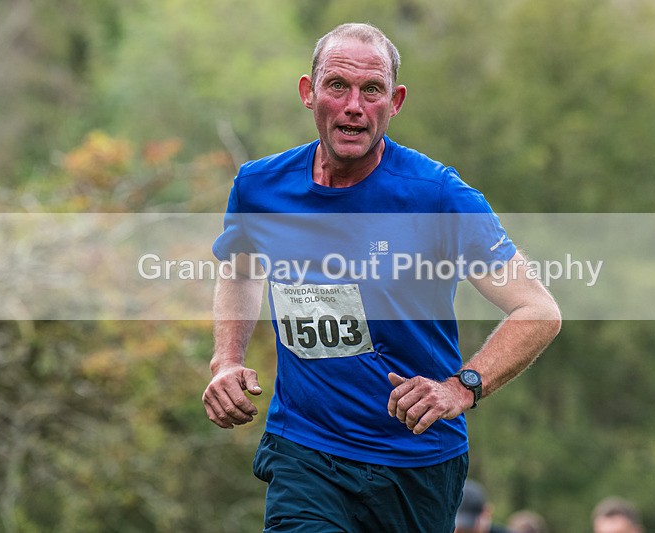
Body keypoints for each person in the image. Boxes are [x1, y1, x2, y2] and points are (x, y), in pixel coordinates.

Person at [202, 22, 561, 532]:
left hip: (414, 460)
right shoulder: (260, 187)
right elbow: (238, 270)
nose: (354, 105)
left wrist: (462, 388)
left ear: (395, 102)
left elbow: (538, 310)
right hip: (306, 449)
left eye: (371, 90)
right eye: (337, 86)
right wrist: (226, 360)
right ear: (309, 92)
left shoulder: (437, 197)